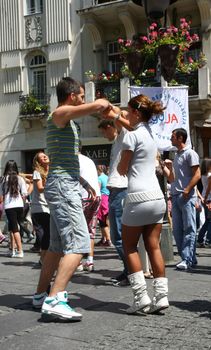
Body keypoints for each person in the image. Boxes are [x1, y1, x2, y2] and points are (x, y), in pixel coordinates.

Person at [32, 77, 110, 321]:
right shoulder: (60, 113)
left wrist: (85, 184)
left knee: (55, 248)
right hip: (63, 186)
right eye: (82, 95)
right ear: (73, 94)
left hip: (66, 184)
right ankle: (56, 298)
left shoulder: (69, 121)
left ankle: (39, 296)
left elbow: (68, 161)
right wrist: (101, 104)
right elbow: (96, 107)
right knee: (78, 243)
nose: (83, 100)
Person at [102, 94, 168, 314]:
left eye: (129, 111)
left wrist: (117, 118)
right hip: (157, 197)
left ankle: (141, 298)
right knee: (153, 245)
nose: (127, 115)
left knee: (129, 246)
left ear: (136, 113)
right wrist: (116, 115)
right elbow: (131, 125)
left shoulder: (131, 136)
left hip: (138, 196)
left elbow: (121, 170)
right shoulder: (150, 134)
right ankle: (161, 296)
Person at [98, 118, 132, 286]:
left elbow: (121, 114)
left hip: (120, 190)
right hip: (114, 190)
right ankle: (128, 271)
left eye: (104, 132)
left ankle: (131, 272)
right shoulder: (115, 143)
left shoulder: (123, 136)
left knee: (118, 235)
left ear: (110, 126)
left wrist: (106, 108)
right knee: (117, 235)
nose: (104, 136)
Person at [164, 128, 201, 270]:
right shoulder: (176, 155)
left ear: (180, 138)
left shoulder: (190, 153)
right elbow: (172, 178)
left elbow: (197, 174)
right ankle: (189, 257)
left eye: (173, 136)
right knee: (177, 230)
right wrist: (167, 167)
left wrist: (187, 189)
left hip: (186, 196)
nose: (170, 139)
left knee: (189, 228)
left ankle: (187, 259)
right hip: (175, 196)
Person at [78, 147, 101, 272]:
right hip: (96, 195)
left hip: (82, 197)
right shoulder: (89, 160)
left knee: (77, 230)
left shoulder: (73, 160)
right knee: (90, 230)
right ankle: (90, 261)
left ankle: (77, 262)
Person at [0, 160, 28, 258]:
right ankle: (12, 249)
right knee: (12, 228)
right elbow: (24, 193)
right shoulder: (20, 178)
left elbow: (1, 195)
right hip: (19, 204)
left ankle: (20, 251)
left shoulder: (3, 179)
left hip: (9, 205)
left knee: (14, 229)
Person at [31, 151, 50, 264]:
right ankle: (43, 258)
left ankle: (44, 258)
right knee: (45, 235)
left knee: (48, 235)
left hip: (49, 207)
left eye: (45, 155)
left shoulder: (51, 171)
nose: (45, 156)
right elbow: (39, 188)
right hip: (39, 207)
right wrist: (53, 183)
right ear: (38, 162)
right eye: (41, 157)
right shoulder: (37, 172)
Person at [96, 164, 111, 247]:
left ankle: (108, 240)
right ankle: (104, 238)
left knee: (102, 220)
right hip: (108, 199)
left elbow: (97, 189)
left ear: (98, 170)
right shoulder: (107, 177)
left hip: (102, 199)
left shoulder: (99, 178)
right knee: (106, 219)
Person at [197, 158, 211, 247]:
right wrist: (206, 198)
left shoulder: (203, 175)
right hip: (209, 198)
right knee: (209, 221)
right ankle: (208, 240)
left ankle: (200, 239)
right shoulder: (210, 175)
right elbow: (209, 188)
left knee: (208, 220)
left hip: (206, 198)